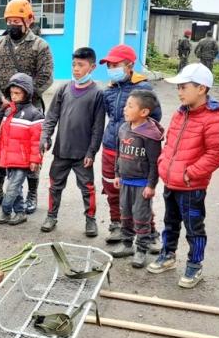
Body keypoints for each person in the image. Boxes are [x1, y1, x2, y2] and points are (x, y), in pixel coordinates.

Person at [147, 63, 219, 289]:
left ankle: (195, 263)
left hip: (192, 186)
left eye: (184, 87)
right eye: (178, 88)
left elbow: (215, 154)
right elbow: (170, 141)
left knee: (194, 227)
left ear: (201, 89)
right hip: (171, 182)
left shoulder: (212, 118)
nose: (179, 92)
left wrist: (190, 173)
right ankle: (168, 254)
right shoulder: (180, 113)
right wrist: (163, 163)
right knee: (170, 222)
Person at [0, 0, 53, 215]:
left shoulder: (40, 46)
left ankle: (31, 194)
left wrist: (25, 97)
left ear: (29, 20)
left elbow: (46, 77)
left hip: (29, 110)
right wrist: (0, 99)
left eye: (17, 20)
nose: (12, 24)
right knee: (0, 149)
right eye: (9, 20)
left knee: (31, 152)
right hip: (2, 108)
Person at [100, 44, 162, 245]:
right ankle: (117, 224)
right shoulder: (109, 89)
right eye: (108, 65)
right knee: (112, 188)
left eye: (115, 64)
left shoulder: (143, 88)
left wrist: (139, 138)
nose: (111, 68)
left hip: (136, 150)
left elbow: (155, 117)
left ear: (129, 65)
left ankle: (148, 232)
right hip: (111, 145)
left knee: (139, 195)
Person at [39, 47, 105, 235]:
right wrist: (46, 137)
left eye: (81, 65)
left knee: (87, 188)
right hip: (61, 151)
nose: (76, 69)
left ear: (91, 67)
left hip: (83, 155)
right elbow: (51, 117)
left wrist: (91, 152)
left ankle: (90, 220)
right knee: (55, 186)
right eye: (74, 64)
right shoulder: (64, 89)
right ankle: (51, 216)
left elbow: (98, 127)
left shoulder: (97, 94)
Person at [111, 90, 164, 268]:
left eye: (130, 106)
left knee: (141, 217)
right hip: (125, 181)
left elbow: (154, 163)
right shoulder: (123, 128)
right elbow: (118, 153)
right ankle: (127, 244)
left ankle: (141, 249)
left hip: (142, 184)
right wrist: (117, 174)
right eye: (126, 105)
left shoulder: (150, 135)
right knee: (125, 215)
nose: (125, 109)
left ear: (144, 112)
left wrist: (151, 185)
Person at [0, 73, 44, 226]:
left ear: (27, 93)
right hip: (8, 159)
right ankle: (20, 213)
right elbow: (1, 136)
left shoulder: (34, 114)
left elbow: (37, 141)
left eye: (17, 93)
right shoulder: (8, 112)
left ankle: (6, 210)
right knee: (16, 189)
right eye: (12, 93)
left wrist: (35, 159)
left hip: (23, 161)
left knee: (12, 189)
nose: (13, 96)